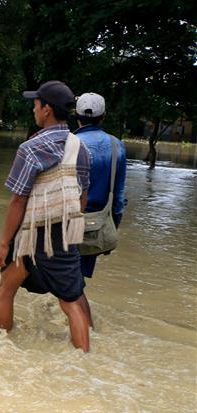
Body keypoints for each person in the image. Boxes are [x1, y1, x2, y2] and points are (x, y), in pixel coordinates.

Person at [0, 80, 93, 351]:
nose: (34, 109)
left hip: (34, 234)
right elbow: (82, 196)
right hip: (64, 232)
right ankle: (82, 360)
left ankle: (1, 345)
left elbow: (18, 199)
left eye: (36, 104)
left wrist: (4, 243)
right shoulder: (80, 147)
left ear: (47, 109)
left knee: (12, 289)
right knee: (68, 300)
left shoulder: (31, 148)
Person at [73, 92, 127, 318]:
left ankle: (83, 330)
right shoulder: (117, 146)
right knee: (76, 280)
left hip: (70, 222)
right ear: (103, 116)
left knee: (68, 284)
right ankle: (80, 330)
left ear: (76, 117)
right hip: (98, 223)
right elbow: (119, 197)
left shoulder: (70, 143)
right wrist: (112, 230)